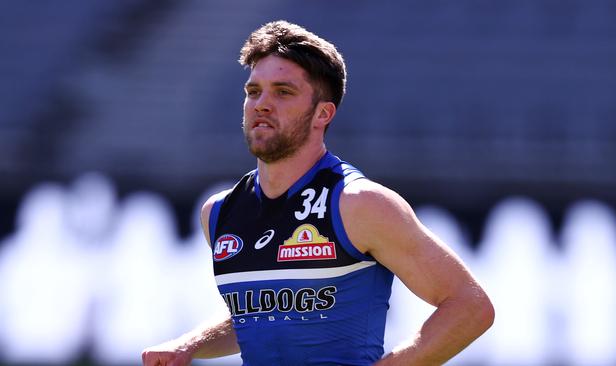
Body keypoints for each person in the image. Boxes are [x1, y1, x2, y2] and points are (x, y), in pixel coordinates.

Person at [142, 20, 494, 366]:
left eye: (283, 92)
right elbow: (263, 319)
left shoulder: (359, 203)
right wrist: (188, 345)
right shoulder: (219, 213)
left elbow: (470, 306)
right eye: (253, 92)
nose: (261, 104)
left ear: (322, 113)